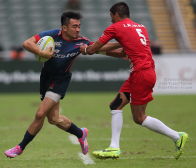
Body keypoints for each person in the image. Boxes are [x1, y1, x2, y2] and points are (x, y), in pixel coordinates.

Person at [4, 11, 120, 158]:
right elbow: (26, 43)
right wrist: (43, 53)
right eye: (74, 26)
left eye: (79, 26)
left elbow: (98, 48)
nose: (78, 29)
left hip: (60, 80)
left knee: (40, 113)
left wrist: (121, 44)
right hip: (45, 78)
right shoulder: (52, 35)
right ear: (64, 28)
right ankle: (81, 133)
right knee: (53, 119)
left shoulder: (81, 42)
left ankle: (19, 148)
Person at [80, 2, 188, 160]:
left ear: (116, 15)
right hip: (144, 72)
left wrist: (87, 49)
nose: (111, 21)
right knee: (115, 105)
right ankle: (114, 148)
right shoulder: (141, 27)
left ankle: (177, 137)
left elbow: (90, 49)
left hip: (141, 74)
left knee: (139, 118)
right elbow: (122, 52)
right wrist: (96, 50)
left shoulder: (115, 27)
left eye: (111, 17)